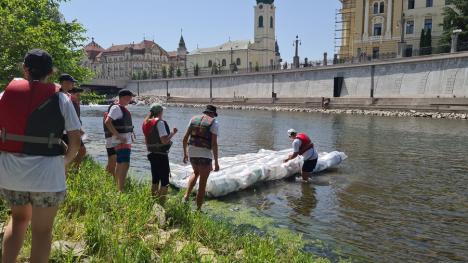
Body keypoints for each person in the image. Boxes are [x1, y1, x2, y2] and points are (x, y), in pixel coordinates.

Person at [0, 49, 81, 262]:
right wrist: (65, 161)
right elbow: (75, 140)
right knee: (42, 231)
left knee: (17, 221)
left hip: (11, 174)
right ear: (51, 72)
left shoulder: (4, 95)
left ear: (25, 69)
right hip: (47, 176)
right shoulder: (62, 99)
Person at [182, 105, 220, 210]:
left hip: (192, 152)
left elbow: (185, 138)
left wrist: (185, 153)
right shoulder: (214, 123)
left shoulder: (193, 119)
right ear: (212, 114)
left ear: (205, 112)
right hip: (204, 154)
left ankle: (185, 197)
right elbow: (214, 144)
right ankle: (198, 210)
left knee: (195, 172)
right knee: (202, 183)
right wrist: (216, 162)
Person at [142, 103, 177, 203]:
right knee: (165, 182)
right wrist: (172, 133)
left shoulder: (146, 122)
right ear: (160, 112)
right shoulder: (160, 123)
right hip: (161, 155)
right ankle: (161, 204)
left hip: (152, 154)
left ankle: (153, 202)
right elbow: (164, 141)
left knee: (155, 179)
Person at [103, 89, 135, 191]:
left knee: (121, 163)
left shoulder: (121, 108)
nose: (130, 99)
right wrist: (118, 136)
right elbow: (108, 122)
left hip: (123, 141)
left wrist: (131, 133)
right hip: (121, 142)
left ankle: (117, 188)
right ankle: (120, 190)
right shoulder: (116, 108)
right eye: (129, 97)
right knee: (124, 164)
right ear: (124, 97)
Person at [59, 74, 86, 170]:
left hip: (69, 130)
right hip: (66, 131)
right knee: (74, 150)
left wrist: (79, 128)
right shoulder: (62, 97)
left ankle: (72, 169)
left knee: (80, 150)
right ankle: (70, 169)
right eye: (71, 82)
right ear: (65, 83)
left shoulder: (67, 97)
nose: (73, 84)